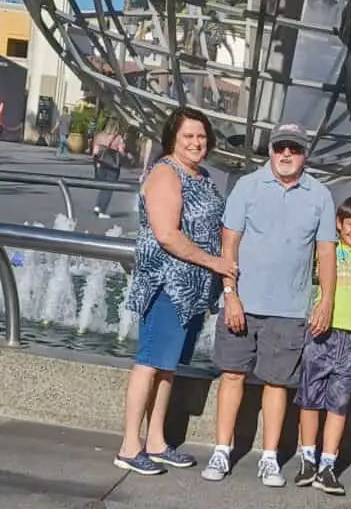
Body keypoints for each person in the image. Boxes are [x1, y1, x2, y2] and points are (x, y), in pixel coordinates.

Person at [202, 122, 337, 489]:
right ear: (271, 151)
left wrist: (326, 300)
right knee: (232, 375)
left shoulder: (320, 195)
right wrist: (230, 294)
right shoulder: (247, 186)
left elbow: (326, 253)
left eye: (293, 148)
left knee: (278, 383)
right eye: (280, 148)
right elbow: (228, 244)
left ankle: (269, 457)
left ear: (304, 153)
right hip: (243, 303)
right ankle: (221, 449)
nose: (286, 154)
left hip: (290, 308)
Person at [115, 107, 238, 476]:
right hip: (167, 284)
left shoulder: (200, 176)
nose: (197, 143)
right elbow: (167, 235)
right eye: (188, 136)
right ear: (173, 138)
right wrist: (214, 262)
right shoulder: (166, 174)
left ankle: (155, 441)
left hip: (193, 290)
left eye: (201, 136)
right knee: (149, 362)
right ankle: (128, 445)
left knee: (167, 368)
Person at [294, 195, 351, 496]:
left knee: (338, 403)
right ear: (338, 224)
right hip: (321, 332)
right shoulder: (328, 249)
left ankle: (327, 465)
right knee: (309, 397)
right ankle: (307, 458)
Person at [92, 119, 128, 219]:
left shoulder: (100, 136)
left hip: (101, 164)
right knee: (109, 189)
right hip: (113, 166)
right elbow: (121, 152)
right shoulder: (119, 138)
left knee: (103, 187)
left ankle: (98, 206)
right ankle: (102, 210)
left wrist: (96, 163)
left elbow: (95, 152)